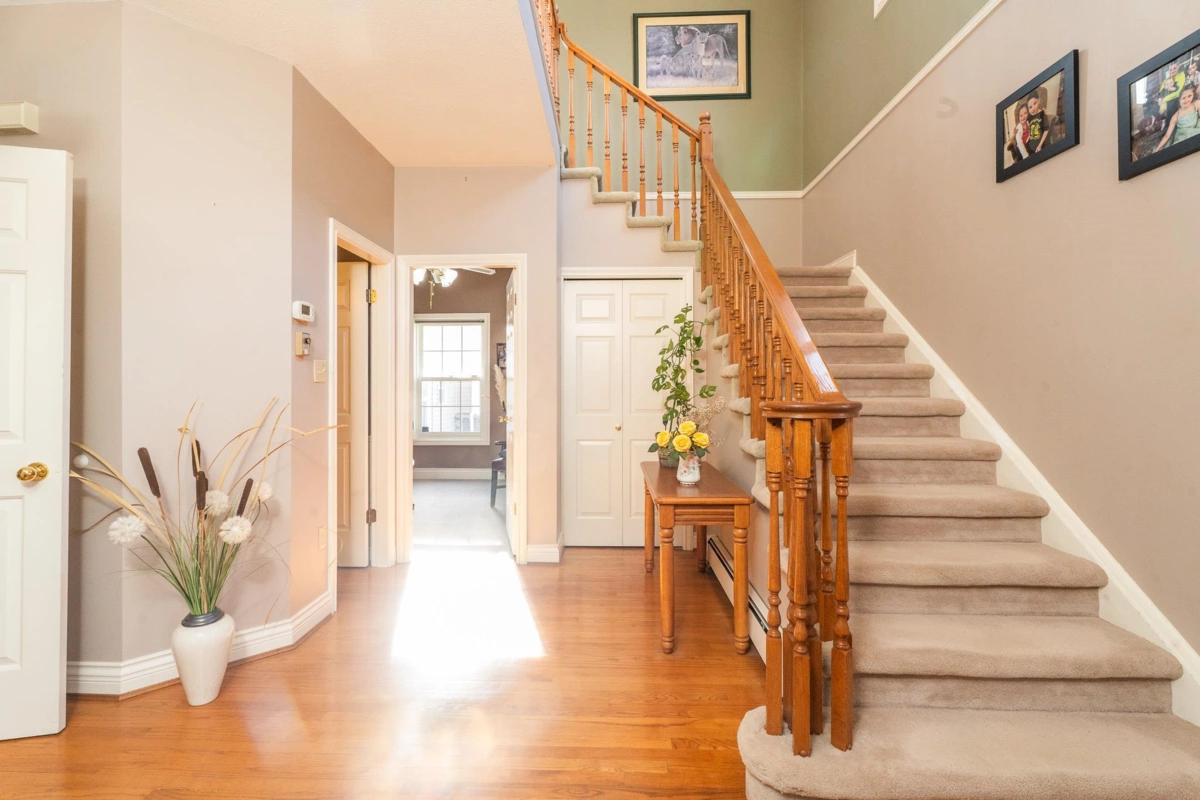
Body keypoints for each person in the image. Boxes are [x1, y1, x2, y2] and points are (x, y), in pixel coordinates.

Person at [1156, 83, 1200, 151]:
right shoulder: (1175, 116)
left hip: (1196, 129)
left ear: (1193, 95)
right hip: (1183, 135)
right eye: (1183, 98)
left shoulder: (1196, 104)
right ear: (1179, 100)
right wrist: (1157, 149)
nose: (1187, 100)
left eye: (1189, 96)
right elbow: (1167, 135)